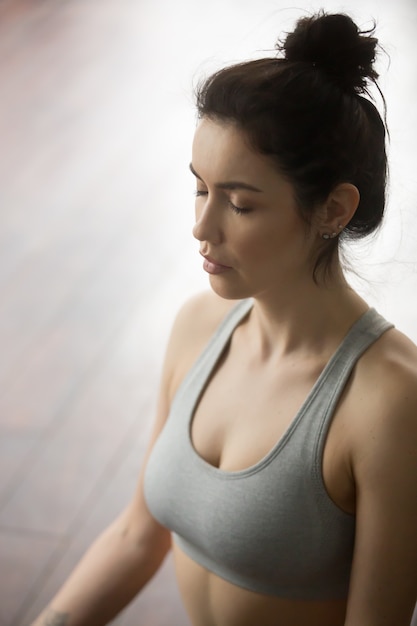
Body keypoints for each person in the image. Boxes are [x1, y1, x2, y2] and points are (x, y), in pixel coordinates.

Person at [32, 11, 417, 626]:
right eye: (199, 188)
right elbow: (138, 535)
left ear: (334, 210)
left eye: (239, 203)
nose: (202, 228)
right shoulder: (197, 326)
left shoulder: (389, 401)